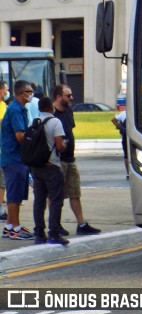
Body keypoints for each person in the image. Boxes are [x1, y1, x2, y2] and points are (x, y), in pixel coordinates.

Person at [53, 84, 101, 235]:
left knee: (75, 193)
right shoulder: (52, 114)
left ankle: (81, 224)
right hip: (57, 160)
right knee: (56, 195)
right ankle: (55, 224)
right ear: (58, 97)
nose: (71, 98)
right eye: (68, 95)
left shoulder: (68, 111)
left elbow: (70, 130)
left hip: (70, 159)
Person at [31, 96, 68, 245]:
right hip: (52, 167)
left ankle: (39, 233)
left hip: (36, 168)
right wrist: (65, 145)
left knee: (39, 201)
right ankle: (53, 233)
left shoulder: (33, 122)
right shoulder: (55, 122)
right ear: (51, 107)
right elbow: (59, 146)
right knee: (56, 200)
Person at [0, 80, 34, 240]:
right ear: (22, 93)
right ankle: (16, 228)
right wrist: (34, 139)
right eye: (29, 91)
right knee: (14, 195)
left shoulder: (19, 108)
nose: (31, 93)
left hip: (15, 158)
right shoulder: (15, 110)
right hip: (14, 158)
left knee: (17, 194)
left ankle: (8, 227)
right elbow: (20, 136)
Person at [111, 110, 128, 178]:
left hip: (125, 136)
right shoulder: (138, 112)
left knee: (126, 155)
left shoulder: (124, 113)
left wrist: (120, 128)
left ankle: (128, 173)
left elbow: (113, 120)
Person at [0, 81, 9, 221]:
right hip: (2, 150)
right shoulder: (2, 106)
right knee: (2, 181)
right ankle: (1, 209)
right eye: (6, 90)